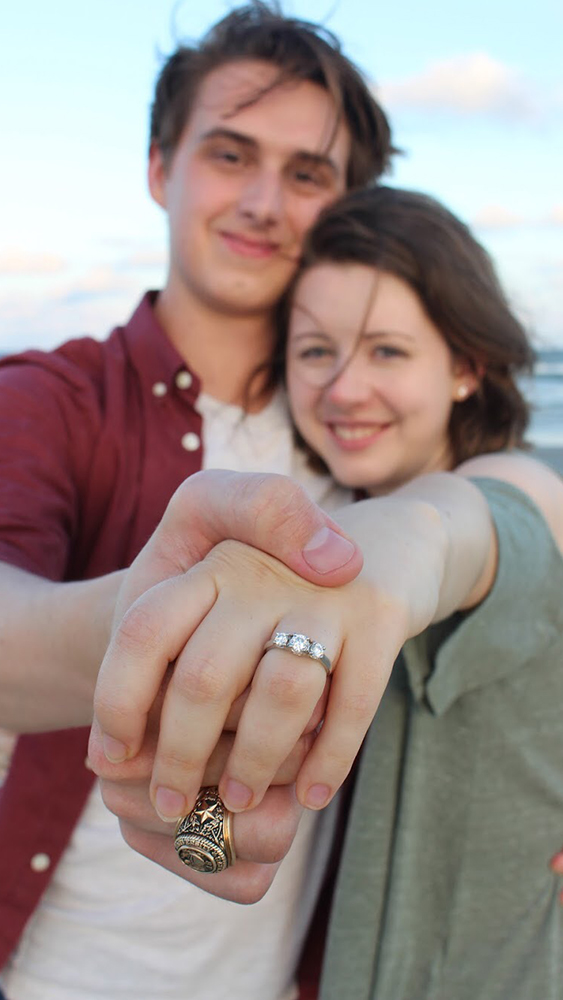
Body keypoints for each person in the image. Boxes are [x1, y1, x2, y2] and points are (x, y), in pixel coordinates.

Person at [0, 4, 395, 998]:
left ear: (347, 206)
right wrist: (152, 613)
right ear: (157, 168)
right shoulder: (51, 396)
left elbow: (495, 516)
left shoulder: (374, 434)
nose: (264, 200)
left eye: (306, 174)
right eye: (229, 154)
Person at [91, 186, 563, 1000]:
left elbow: (449, 527)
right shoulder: (321, 501)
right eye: (315, 352)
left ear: (463, 367)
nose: (343, 390)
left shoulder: (514, 481)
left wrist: (366, 568)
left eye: (386, 351)